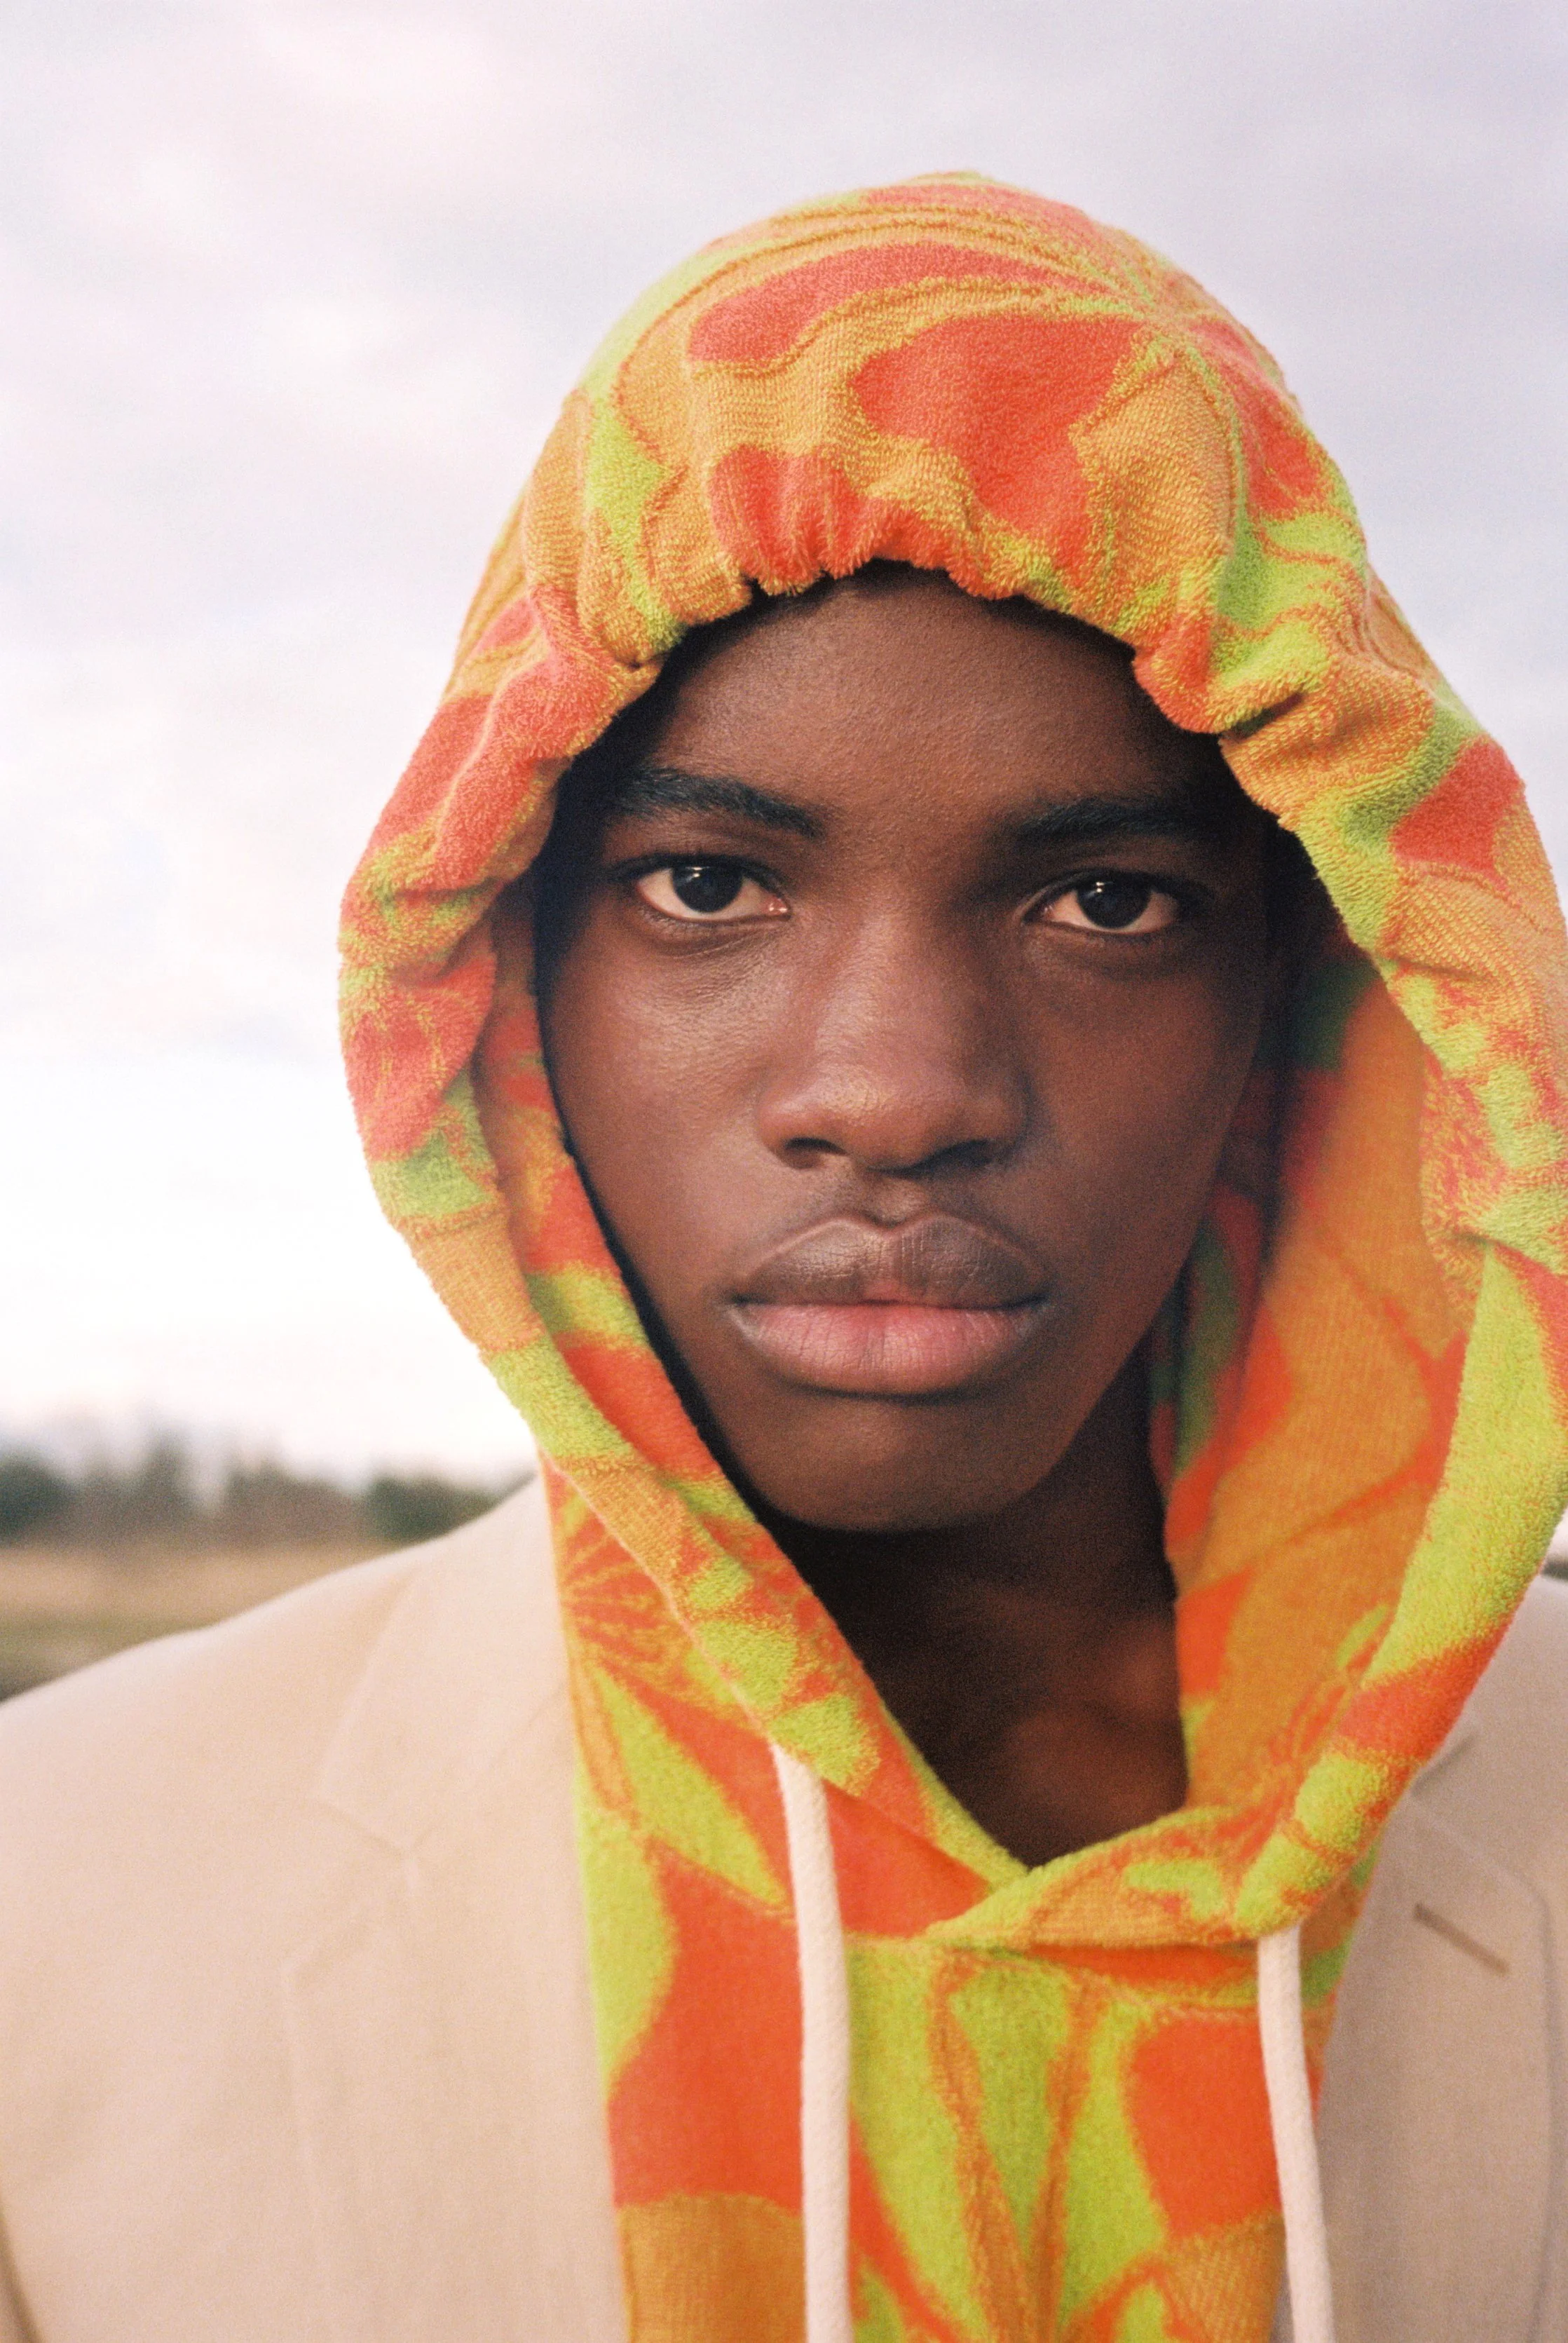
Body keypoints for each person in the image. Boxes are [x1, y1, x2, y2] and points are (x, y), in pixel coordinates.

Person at [1, 173, 1565, 2343]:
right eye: (710, 884)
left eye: (1103, 899)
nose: (896, 1087)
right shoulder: (49, 1904)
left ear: (1296, 999)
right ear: (506, 967)